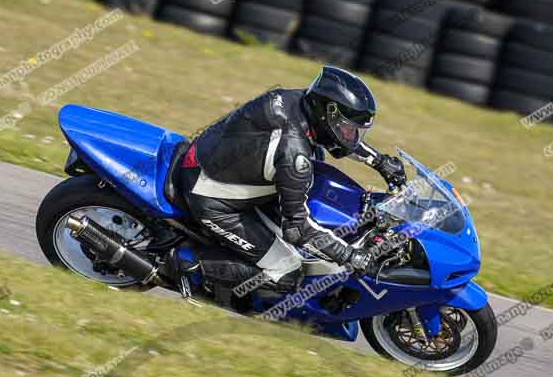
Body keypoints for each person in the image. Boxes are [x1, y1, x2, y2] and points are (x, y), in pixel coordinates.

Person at [167, 66, 407, 299]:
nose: (351, 136)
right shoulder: (294, 152)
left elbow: (334, 138)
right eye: (348, 128)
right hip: (211, 199)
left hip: (211, 159)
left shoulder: (298, 100)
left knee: (316, 164)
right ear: (328, 114)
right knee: (287, 271)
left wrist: (378, 161)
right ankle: (186, 264)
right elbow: (297, 228)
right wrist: (349, 255)